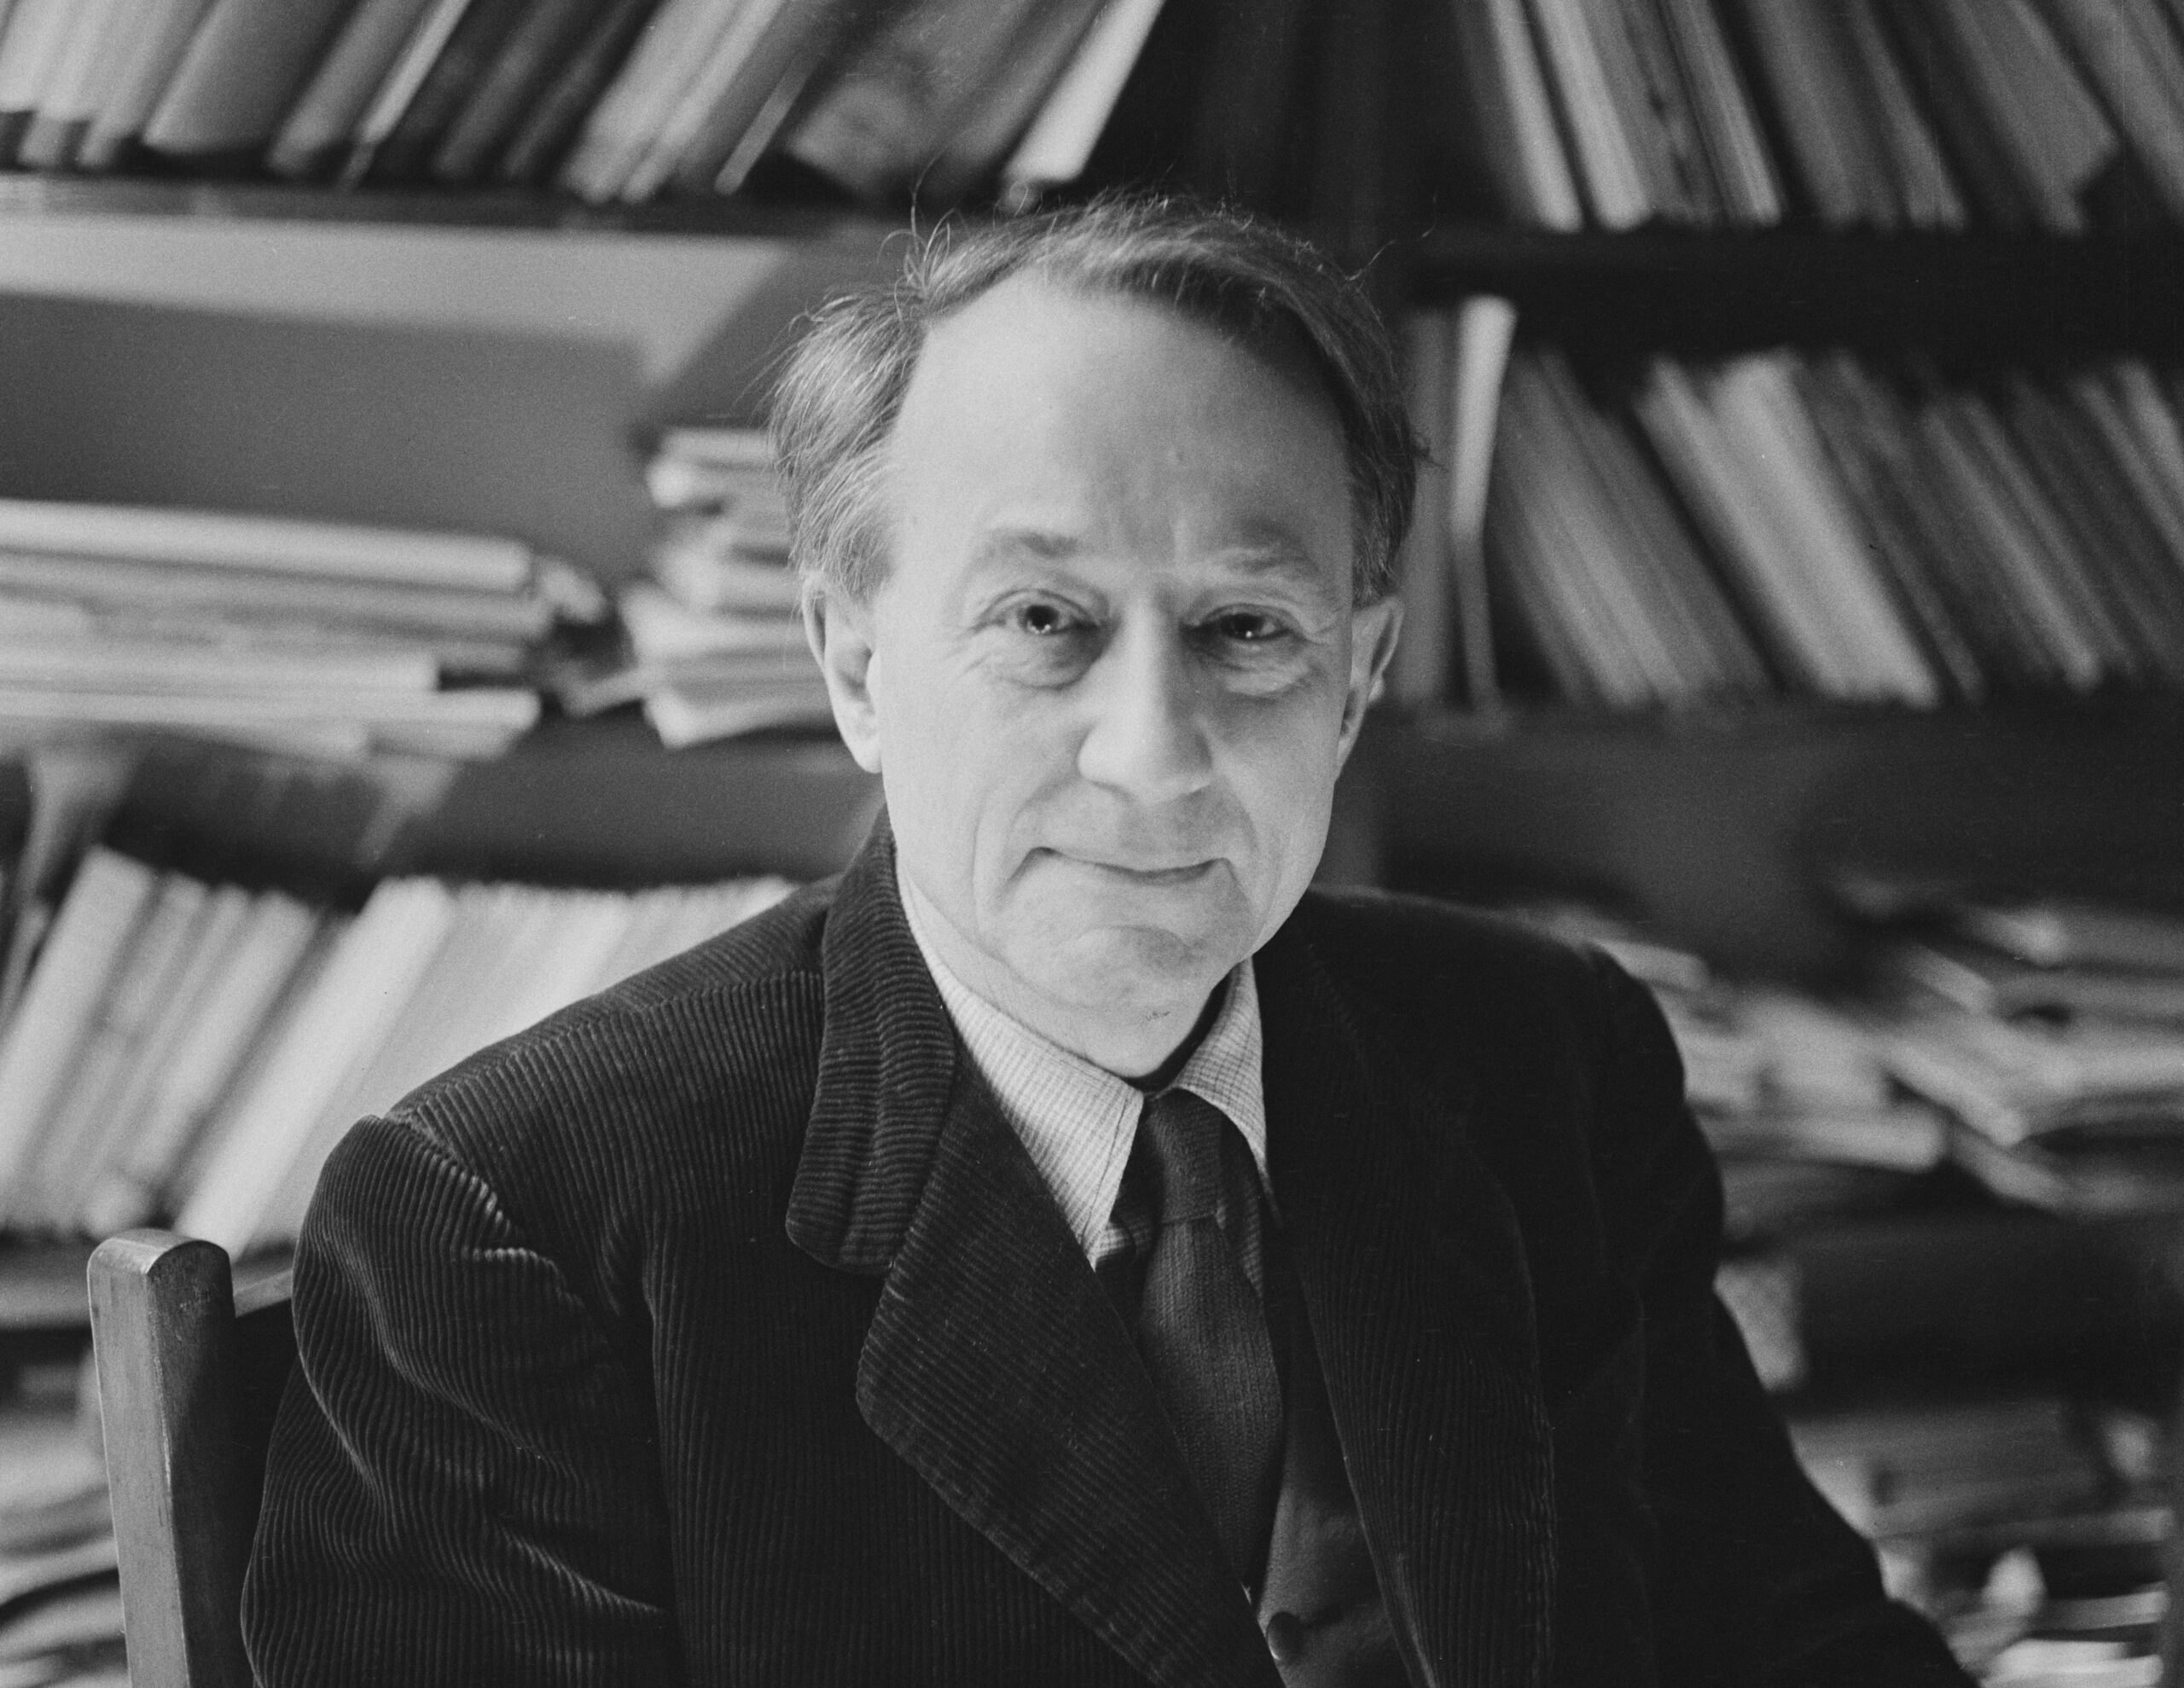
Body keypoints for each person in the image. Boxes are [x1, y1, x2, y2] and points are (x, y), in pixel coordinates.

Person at [244, 194, 1972, 1686]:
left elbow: (1793, 1649)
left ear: (1359, 673)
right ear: (853, 665)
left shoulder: (1541, 1060)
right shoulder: (514, 1217)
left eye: (1243, 627)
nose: (1149, 752)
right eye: (1044, 622)